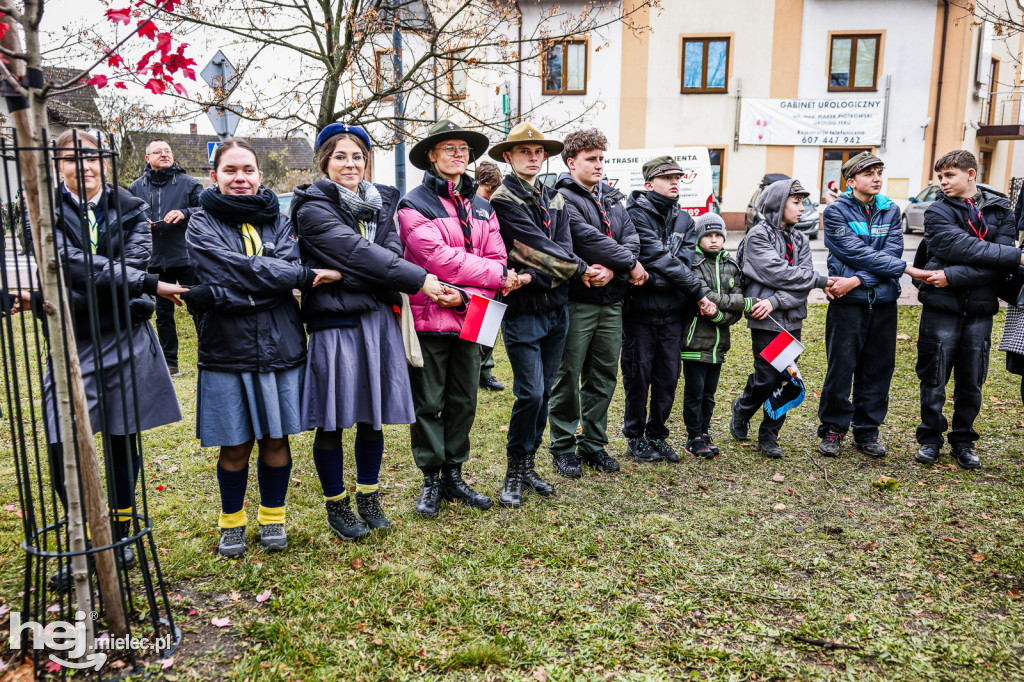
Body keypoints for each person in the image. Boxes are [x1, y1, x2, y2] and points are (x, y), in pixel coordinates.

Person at [38, 130, 186, 588]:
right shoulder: (39, 210)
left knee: (123, 437)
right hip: (73, 340)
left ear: (107, 162)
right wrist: (134, 288)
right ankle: (83, 536)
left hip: (126, 335)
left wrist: (116, 286)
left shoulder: (133, 209)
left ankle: (120, 534)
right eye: (71, 158)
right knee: (63, 439)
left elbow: (134, 268)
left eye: (93, 157)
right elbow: (64, 264)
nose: (83, 165)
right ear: (57, 164)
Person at [184, 139, 342, 557]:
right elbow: (233, 269)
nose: (240, 178)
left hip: (280, 344)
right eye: (230, 170)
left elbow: (284, 270)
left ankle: (273, 517)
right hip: (226, 349)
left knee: (276, 438)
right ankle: (231, 523)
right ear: (214, 176)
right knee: (234, 444)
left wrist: (222, 293)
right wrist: (277, 280)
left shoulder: (281, 219)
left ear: (259, 174)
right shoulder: (200, 223)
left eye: (248, 170)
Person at [292, 123, 444, 537]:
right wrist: (395, 275)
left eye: (357, 156)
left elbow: (388, 251)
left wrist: (356, 272)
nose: (350, 163)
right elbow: (355, 250)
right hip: (335, 323)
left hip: (377, 319)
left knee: (371, 417)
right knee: (333, 418)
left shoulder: (381, 203)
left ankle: (368, 496)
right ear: (325, 161)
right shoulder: (311, 207)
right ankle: (337, 504)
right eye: (340, 156)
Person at [399, 119, 519, 517]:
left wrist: (467, 294)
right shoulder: (412, 204)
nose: (458, 154)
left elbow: (498, 261)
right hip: (431, 316)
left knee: (465, 400)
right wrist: (486, 279)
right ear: (431, 155)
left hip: (472, 314)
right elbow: (436, 259)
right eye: (448, 148)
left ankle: (454, 473)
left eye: (463, 149)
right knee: (428, 401)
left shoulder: (484, 206)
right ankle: (431, 478)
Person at [488, 121, 600, 508]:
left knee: (546, 391)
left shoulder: (554, 198)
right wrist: (578, 269)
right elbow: (530, 245)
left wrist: (540, 270)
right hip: (522, 312)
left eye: (538, 152)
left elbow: (559, 248)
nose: (533, 158)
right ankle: (514, 471)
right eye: (524, 152)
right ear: (509, 157)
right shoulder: (502, 200)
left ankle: (530, 464)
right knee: (530, 393)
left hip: (556, 310)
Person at [913, 150, 1023, 469]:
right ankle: (930, 439)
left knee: (971, 380)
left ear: (971, 174)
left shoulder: (1001, 209)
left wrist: (951, 274)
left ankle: (963, 441)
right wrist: (1008, 257)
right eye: (940, 177)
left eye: (949, 176)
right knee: (933, 377)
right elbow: (954, 247)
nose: (942, 182)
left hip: (980, 310)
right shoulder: (936, 211)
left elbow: (1000, 268)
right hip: (940, 307)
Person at [817, 152, 932, 459]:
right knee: (841, 367)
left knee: (879, 367)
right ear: (851, 181)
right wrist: (891, 269)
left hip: (881, 301)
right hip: (848, 304)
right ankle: (834, 429)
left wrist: (856, 281)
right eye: (869, 174)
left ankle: (867, 431)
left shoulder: (891, 210)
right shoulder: (836, 211)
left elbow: (894, 252)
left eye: (880, 172)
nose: (877, 178)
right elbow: (852, 252)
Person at [548, 128, 644, 478]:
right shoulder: (561, 197)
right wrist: (628, 264)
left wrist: (619, 267)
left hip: (612, 300)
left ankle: (593, 444)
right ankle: (561, 446)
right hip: (579, 300)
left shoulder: (614, 199)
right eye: (591, 159)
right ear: (571, 162)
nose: (599, 165)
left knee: (603, 376)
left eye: (602, 158)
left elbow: (631, 238)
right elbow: (582, 239)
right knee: (569, 374)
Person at [731, 179, 833, 459]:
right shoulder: (758, 236)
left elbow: (801, 283)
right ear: (778, 204)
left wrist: (776, 300)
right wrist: (816, 281)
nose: (802, 208)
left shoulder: (800, 239)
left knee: (786, 378)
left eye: (803, 202)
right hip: (768, 322)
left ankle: (768, 435)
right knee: (766, 377)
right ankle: (742, 407)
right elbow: (780, 274)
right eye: (796, 202)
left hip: (792, 319)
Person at [623, 156, 716, 464]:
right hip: (640, 313)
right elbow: (655, 257)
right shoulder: (634, 216)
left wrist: (658, 278)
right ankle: (635, 437)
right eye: (667, 177)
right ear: (649, 184)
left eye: (678, 177)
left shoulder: (686, 221)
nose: (675, 181)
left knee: (667, 378)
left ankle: (657, 435)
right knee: (638, 377)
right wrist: (687, 285)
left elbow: (680, 265)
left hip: (673, 315)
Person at [679, 213, 752, 459]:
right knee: (695, 392)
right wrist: (739, 303)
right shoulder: (693, 265)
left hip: (719, 344)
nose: (713, 240)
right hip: (695, 341)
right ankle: (694, 436)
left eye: (717, 235)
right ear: (699, 238)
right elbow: (705, 296)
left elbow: (736, 308)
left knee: (709, 394)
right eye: (707, 236)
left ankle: (705, 431)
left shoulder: (732, 266)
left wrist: (722, 316)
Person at [128, 139, 203, 376]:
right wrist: (139, 221)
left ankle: (209, 356)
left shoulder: (189, 183)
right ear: (147, 158)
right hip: (154, 259)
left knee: (199, 307)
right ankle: (170, 363)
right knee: (163, 314)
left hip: (186, 256)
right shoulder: (135, 188)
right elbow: (125, 216)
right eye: (158, 151)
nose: (164, 154)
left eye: (168, 150)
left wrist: (184, 212)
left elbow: (206, 209)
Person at [475, 160, 506, 392]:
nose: (491, 196)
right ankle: (476, 370)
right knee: (476, 325)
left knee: (489, 325)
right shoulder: (470, 207)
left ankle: (485, 371)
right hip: (476, 275)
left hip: (495, 273)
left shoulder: (493, 208)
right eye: (487, 191)